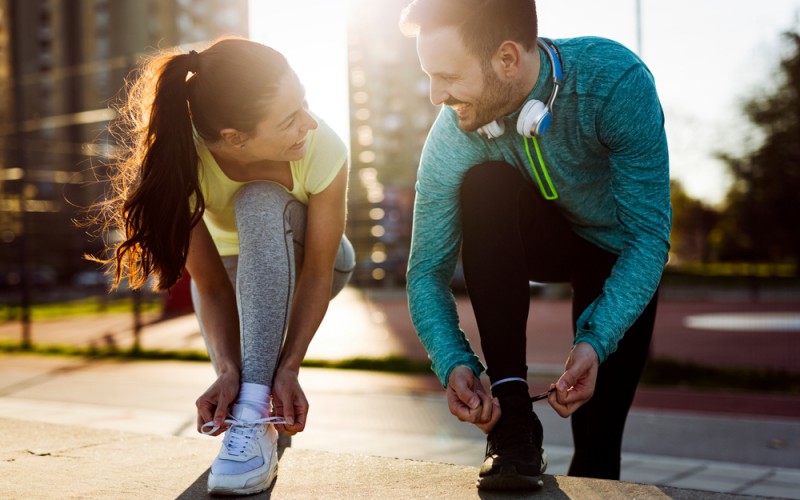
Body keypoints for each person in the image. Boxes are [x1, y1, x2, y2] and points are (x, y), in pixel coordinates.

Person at [399, 0, 671, 491]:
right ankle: (514, 419)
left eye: (448, 76)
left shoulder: (613, 82)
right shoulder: (454, 136)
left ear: (507, 59)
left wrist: (595, 340)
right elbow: (426, 273)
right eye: (429, 77)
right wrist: (453, 360)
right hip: (546, 239)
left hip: (617, 253)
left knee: (599, 444)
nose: (436, 95)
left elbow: (648, 237)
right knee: (485, 185)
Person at [95, 38, 354, 495]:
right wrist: (229, 371)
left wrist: (290, 365)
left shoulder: (322, 146)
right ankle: (257, 424)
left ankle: (257, 408)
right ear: (235, 138)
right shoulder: (179, 164)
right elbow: (211, 285)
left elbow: (317, 271)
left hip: (317, 265)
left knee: (258, 200)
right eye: (290, 118)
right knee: (245, 387)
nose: (309, 123)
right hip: (233, 282)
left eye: (305, 104)